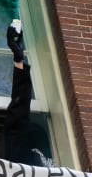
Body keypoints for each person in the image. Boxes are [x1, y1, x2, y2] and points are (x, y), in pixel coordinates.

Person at [4, 20, 55, 167]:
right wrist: (19, 60)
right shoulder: (18, 157)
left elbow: (19, 111)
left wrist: (19, 60)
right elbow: (19, 110)